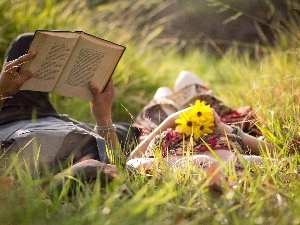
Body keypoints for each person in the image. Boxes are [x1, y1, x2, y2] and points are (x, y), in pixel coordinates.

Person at [0, 33, 136, 177]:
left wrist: (2, 91)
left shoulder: (17, 164)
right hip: (55, 123)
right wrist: (103, 116)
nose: (95, 165)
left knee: (27, 43)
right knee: (129, 131)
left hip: (9, 121)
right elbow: (120, 167)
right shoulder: (95, 152)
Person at [127, 71, 275, 174]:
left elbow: (131, 161)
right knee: (186, 77)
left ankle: (175, 102)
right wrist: (224, 128)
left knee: (163, 91)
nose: (202, 163)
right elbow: (276, 154)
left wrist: (172, 120)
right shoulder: (235, 161)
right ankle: (187, 100)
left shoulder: (170, 164)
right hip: (215, 121)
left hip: (163, 124)